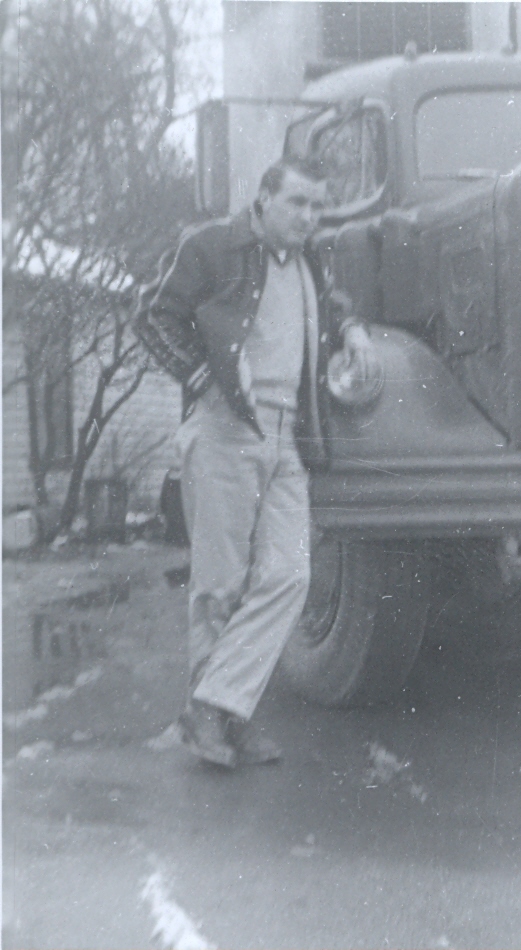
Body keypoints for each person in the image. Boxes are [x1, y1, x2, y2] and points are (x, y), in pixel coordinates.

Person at [135, 157, 373, 768]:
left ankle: (211, 710)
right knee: (220, 585)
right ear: (263, 199)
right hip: (223, 431)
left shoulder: (311, 258)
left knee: (290, 576)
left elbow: (333, 301)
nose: (309, 216)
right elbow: (153, 316)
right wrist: (198, 374)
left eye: (318, 205)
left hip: (284, 437)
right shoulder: (213, 246)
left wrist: (354, 331)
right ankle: (224, 720)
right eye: (297, 203)